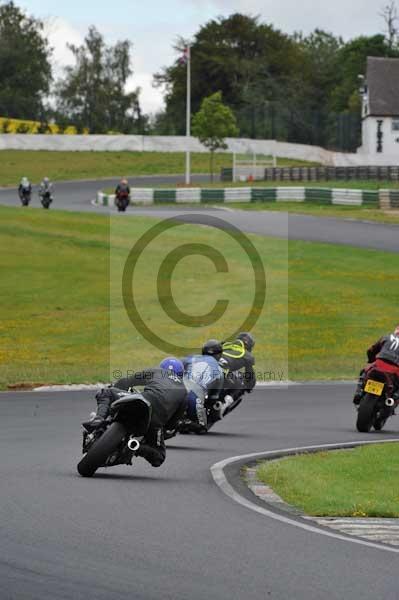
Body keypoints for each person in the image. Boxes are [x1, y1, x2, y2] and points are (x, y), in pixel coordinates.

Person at [88, 357, 187, 467]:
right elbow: (172, 424)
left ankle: (99, 418)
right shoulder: (184, 391)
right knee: (159, 457)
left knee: (105, 392)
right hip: (156, 421)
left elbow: (127, 381)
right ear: (181, 374)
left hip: (143, 399)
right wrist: (160, 428)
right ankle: (136, 447)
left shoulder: (156, 371)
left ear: (162, 368)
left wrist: (114, 388)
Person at [182, 340, 225, 431]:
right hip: (195, 396)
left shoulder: (191, 358)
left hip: (178, 389)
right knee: (201, 427)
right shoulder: (219, 370)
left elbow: (176, 366)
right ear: (219, 355)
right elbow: (214, 397)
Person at [353, 324, 399, 405]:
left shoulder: (386, 337)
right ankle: (394, 398)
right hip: (394, 371)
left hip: (378, 365)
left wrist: (371, 360)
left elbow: (371, 350)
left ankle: (359, 391)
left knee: (364, 371)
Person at [218, 332, 257, 413]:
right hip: (221, 373)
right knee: (242, 383)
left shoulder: (224, 344)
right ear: (248, 345)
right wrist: (249, 387)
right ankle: (223, 405)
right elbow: (250, 379)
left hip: (206, 366)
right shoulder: (248, 356)